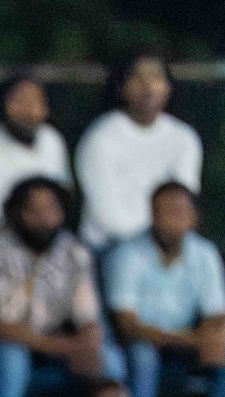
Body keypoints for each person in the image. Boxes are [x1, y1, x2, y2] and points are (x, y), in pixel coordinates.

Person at [0, 177, 125, 397]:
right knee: (12, 358)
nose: (44, 218)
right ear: (16, 213)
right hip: (0, 343)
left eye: (51, 209)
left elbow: (89, 316)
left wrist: (88, 343)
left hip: (57, 345)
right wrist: (66, 348)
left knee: (110, 360)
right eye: (34, 210)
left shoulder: (73, 251)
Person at [106, 182, 225, 397]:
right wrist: (195, 340)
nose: (171, 220)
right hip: (138, 348)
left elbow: (218, 313)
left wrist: (216, 338)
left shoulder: (204, 253)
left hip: (184, 350)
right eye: (164, 212)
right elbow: (127, 326)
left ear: (193, 219)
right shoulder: (127, 255)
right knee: (143, 355)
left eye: (179, 212)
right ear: (151, 215)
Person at [75, 52, 202, 250]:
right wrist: (149, 244)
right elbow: (107, 215)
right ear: (120, 87)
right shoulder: (100, 138)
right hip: (108, 245)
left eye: (156, 78)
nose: (148, 87)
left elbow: (183, 201)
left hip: (167, 243)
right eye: (138, 78)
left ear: (168, 87)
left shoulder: (184, 138)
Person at [0, 73, 72, 235]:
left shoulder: (52, 140)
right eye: (20, 100)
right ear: (3, 103)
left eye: (35, 101)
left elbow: (61, 202)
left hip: (46, 239)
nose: (28, 109)